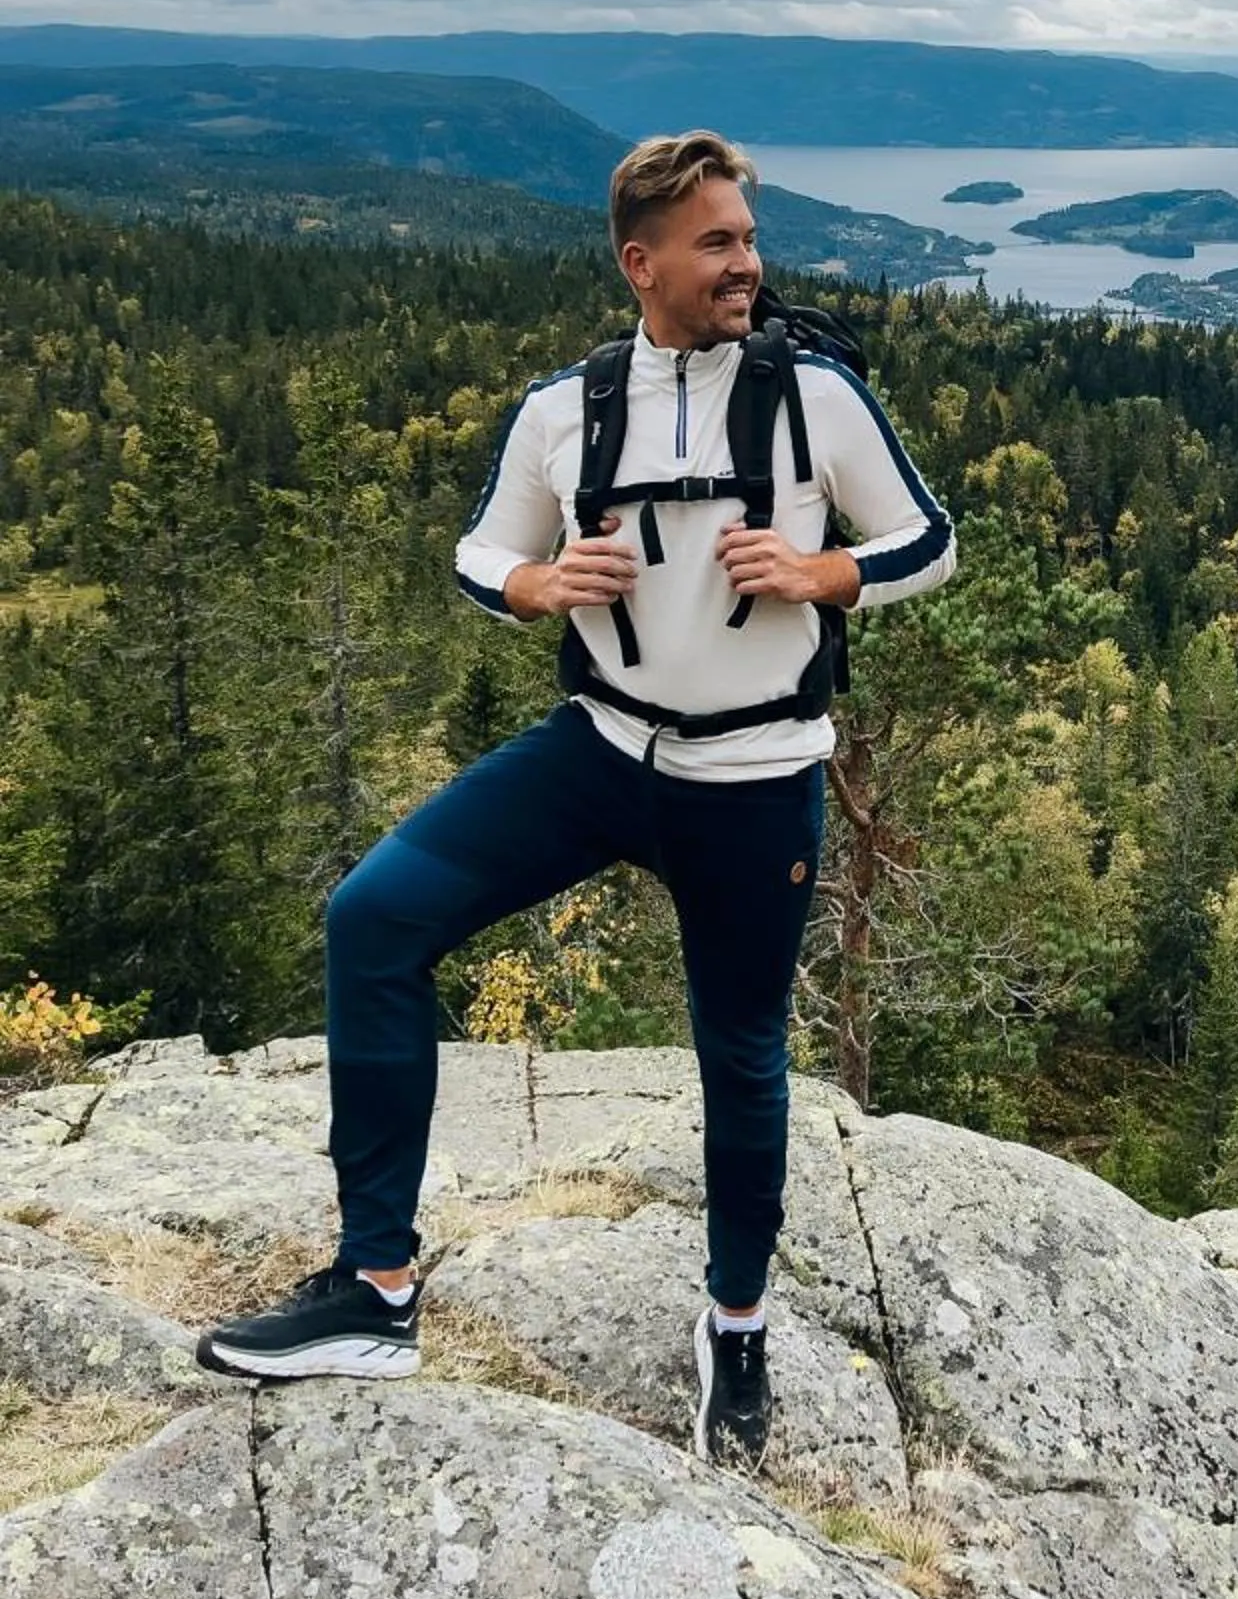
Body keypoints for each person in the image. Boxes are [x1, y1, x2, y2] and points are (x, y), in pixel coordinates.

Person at [197, 131, 957, 1468]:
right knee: (374, 920)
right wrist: (531, 586)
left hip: (753, 774)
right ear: (640, 261)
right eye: (717, 242)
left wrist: (825, 572)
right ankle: (374, 1292)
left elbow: (926, 539)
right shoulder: (568, 408)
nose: (747, 263)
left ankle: (735, 1328)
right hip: (597, 752)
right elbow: (483, 546)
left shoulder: (813, 399)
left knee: (739, 1053)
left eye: (748, 237)